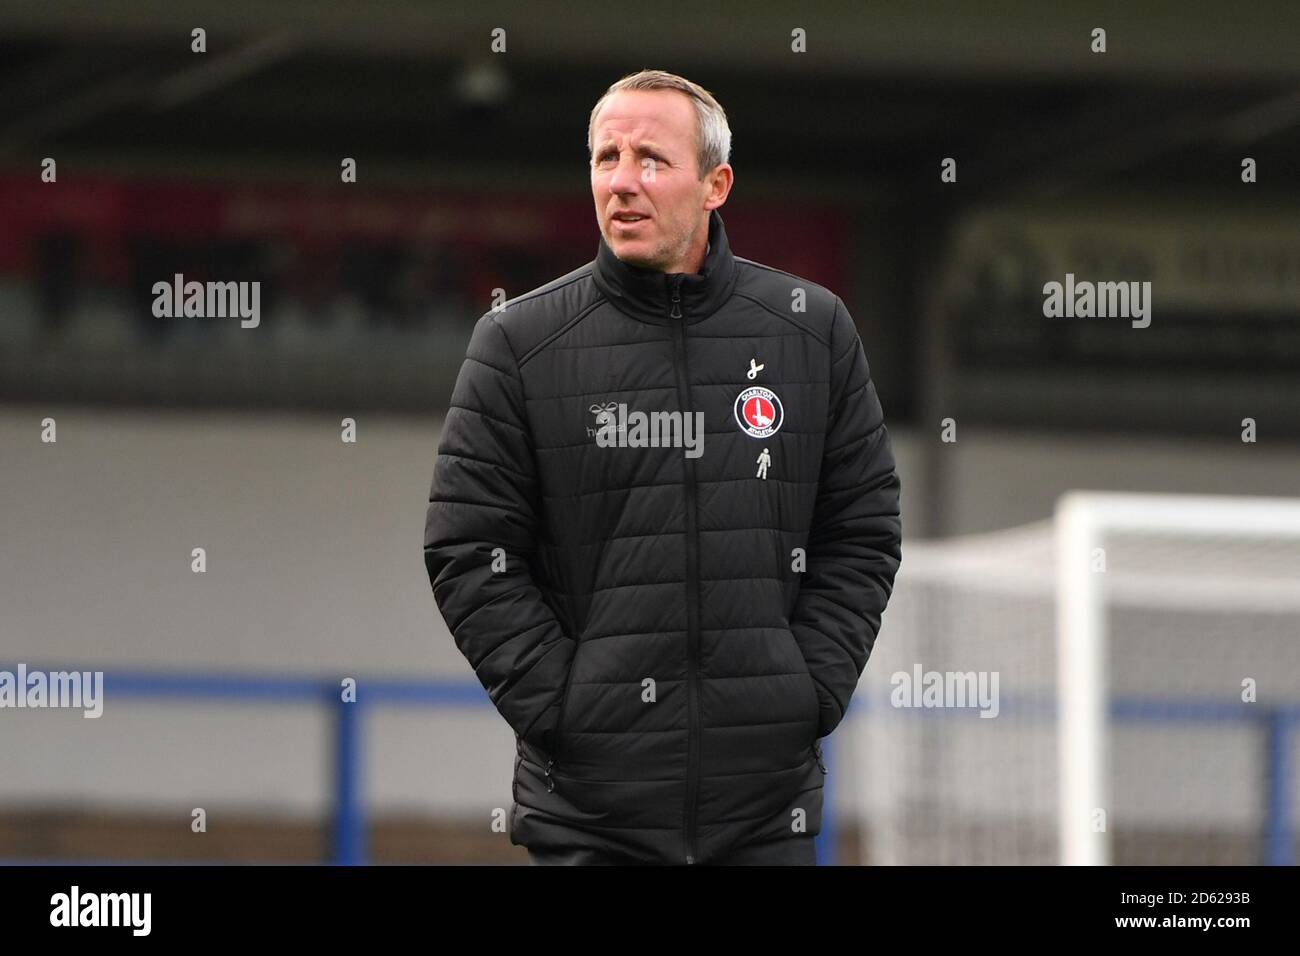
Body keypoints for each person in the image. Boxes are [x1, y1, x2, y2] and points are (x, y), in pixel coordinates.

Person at [424, 69, 902, 866]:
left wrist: (804, 691)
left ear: (716, 184)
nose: (621, 182)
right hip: (588, 817)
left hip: (763, 815)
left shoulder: (811, 330)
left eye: (650, 159)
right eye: (605, 157)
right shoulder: (517, 343)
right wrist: (568, 710)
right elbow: (468, 551)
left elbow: (862, 531)